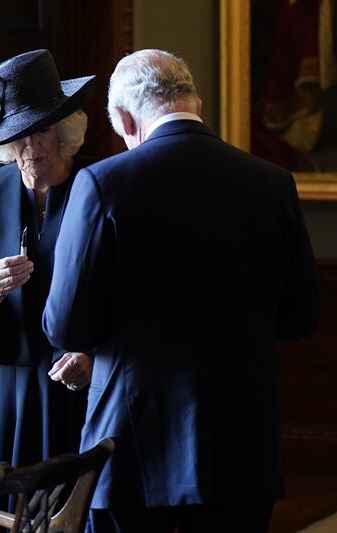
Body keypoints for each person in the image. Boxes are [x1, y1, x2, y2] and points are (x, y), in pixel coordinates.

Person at [42, 49, 320, 532]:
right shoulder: (272, 183)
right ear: (195, 103)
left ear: (126, 118)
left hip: (133, 448)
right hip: (242, 445)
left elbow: (66, 325)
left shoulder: (104, 184)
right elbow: (300, 318)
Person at [0, 49, 97, 492]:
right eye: (19, 137)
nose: (30, 148)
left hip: (74, 378)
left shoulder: (98, 187)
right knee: (2, 506)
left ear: (65, 130)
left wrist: (93, 357)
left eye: (42, 131)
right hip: (6, 388)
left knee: (68, 505)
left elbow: (127, 294)